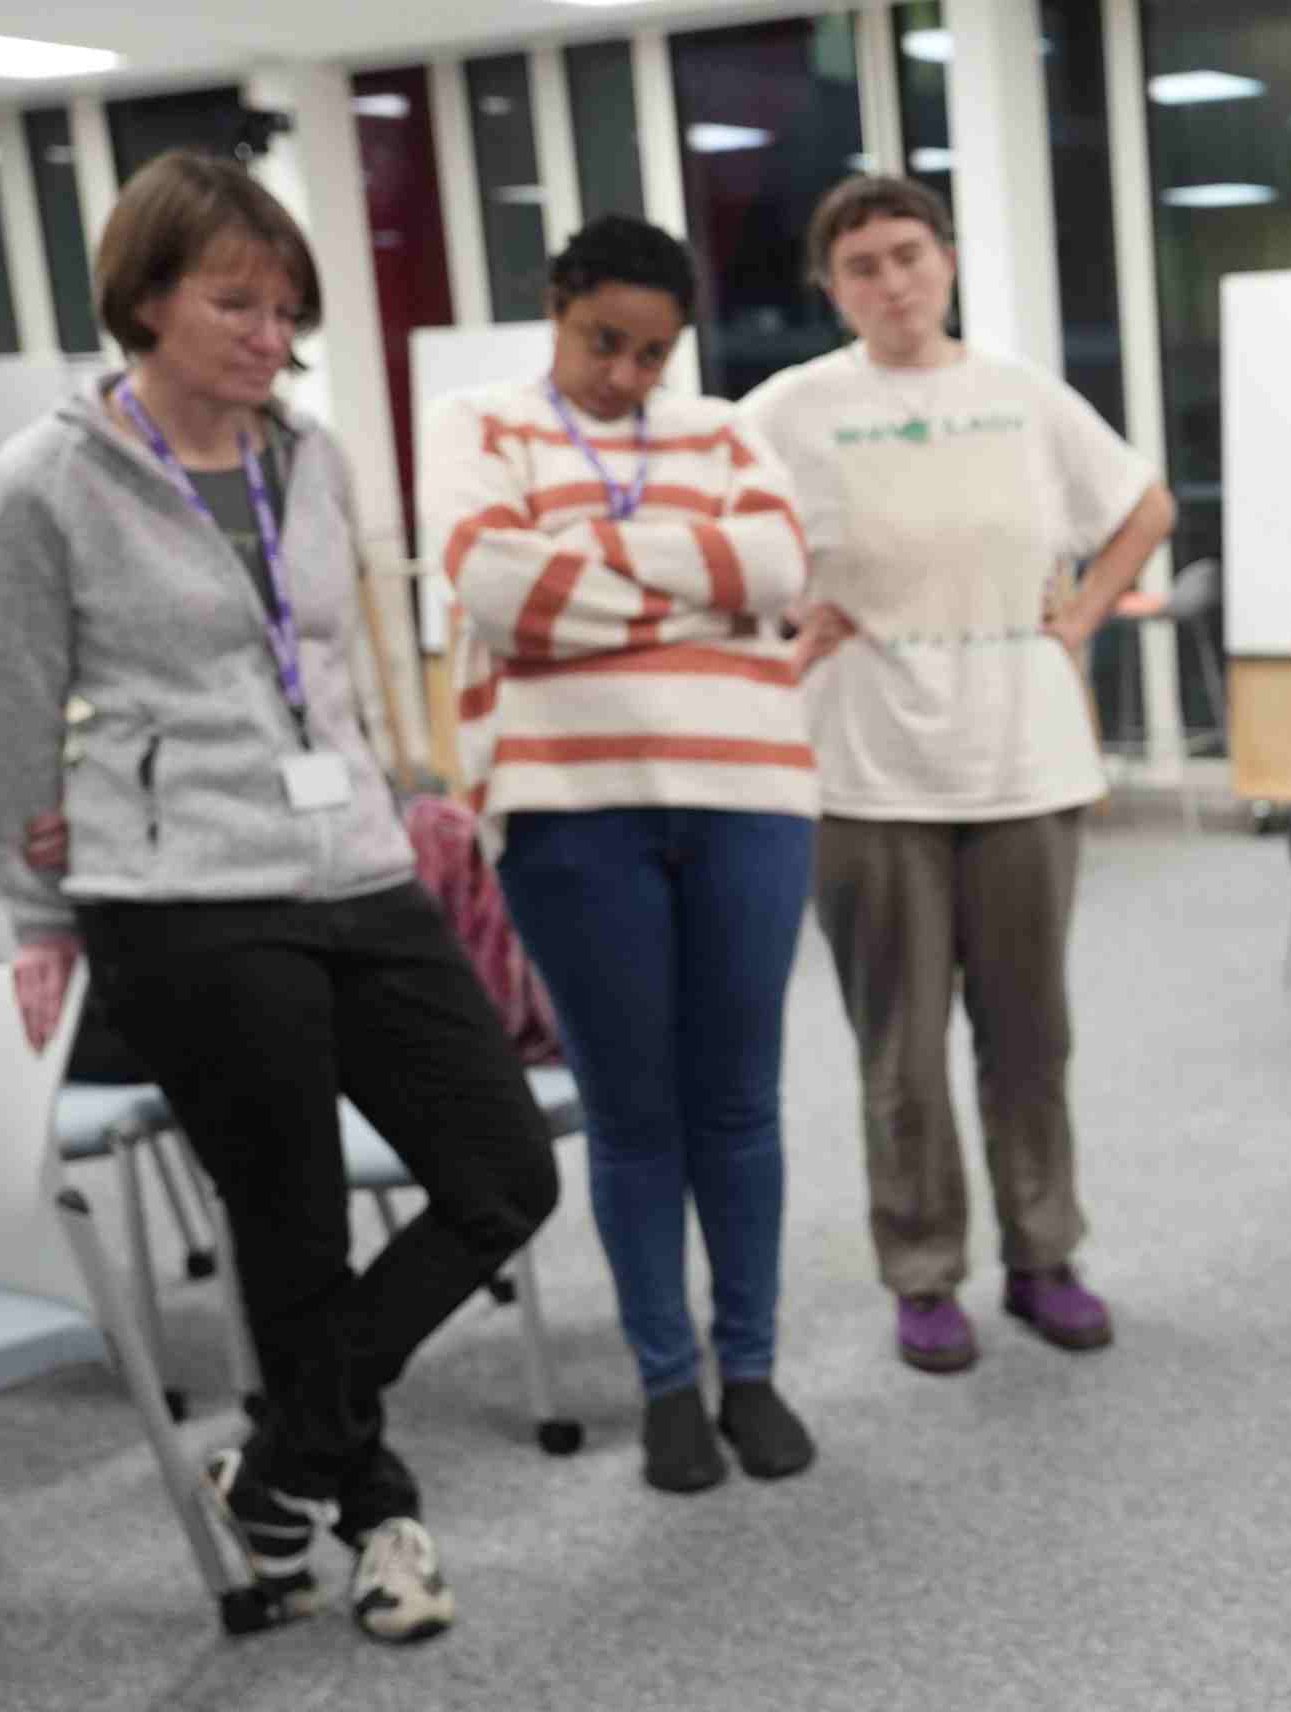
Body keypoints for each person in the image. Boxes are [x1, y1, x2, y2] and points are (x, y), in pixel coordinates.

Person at [0, 153, 559, 1644]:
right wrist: (37, 918)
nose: (269, 333)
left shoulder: (309, 457)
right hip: (183, 896)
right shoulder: (46, 482)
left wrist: (403, 781)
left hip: (358, 868)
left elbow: (347, 653)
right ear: (144, 298)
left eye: (285, 305)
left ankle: (283, 1462)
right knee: (293, 1227)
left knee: (503, 1173)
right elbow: (15, 711)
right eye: (234, 302)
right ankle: (377, 1522)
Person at [742, 177, 1174, 1373]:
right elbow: (723, 540)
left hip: (1023, 759)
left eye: (908, 255)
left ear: (947, 261)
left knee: (1031, 1032)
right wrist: (782, 619)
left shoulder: (1019, 396)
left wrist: (1081, 614)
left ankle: (1044, 1253)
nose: (891, 282)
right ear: (832, 288)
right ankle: (923, 1268)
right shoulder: (789, 408)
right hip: (868, 771)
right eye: (863, 265)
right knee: (901, 1046)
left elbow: (1145, 503)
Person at [417, 215, 818, 1496]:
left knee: (739, 1102)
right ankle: (665, 1385)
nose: (629, 377)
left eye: (655, 353)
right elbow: (494, 592)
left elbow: (781, 562)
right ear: (556, 305)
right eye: (605, 343)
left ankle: (747, 1369)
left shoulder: (728, 428)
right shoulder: (477, 422)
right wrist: (704, 596)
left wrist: (589, 582)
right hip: (567, 811)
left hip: (749, 797)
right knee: (635, 1113)